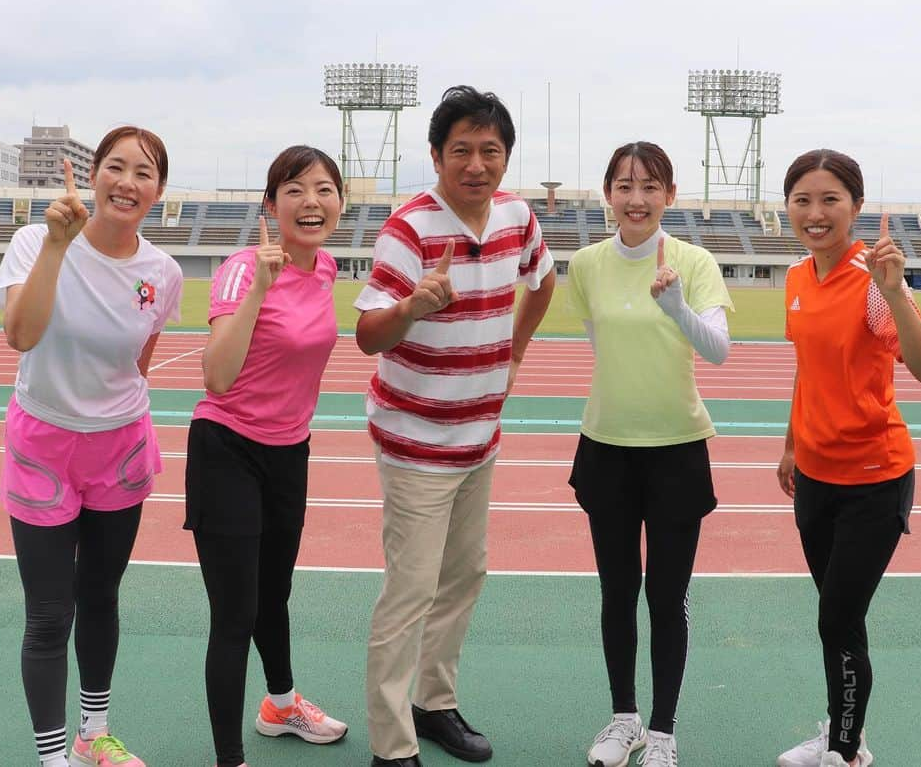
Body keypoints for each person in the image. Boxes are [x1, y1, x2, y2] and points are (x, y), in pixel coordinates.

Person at [355, 85, 556, 767]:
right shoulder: (408, 229)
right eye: (461, 150)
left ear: (506, 158)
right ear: (437, 155)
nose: (476, 164)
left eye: (490, 151)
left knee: (464, 576)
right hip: (415, 445)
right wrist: (413, 305)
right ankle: (391, 745)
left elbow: (543, 280)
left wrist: (517, 350)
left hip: (479, 437)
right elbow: (367, 335)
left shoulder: (517, 218)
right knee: (409, 592)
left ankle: (434, 704)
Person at [0, 127, 183, 767]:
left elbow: (139, 362)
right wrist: (55, 244)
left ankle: (92, 733)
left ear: (158, 190)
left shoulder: (163, 272)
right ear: (93, 174)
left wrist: (104, 412)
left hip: (119, 449)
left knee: (101, 596)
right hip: (42, 445)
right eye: (117, 167)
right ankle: (54, 758)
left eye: (145, 172)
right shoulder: (33, 241)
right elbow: (21, 334)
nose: (128, 182)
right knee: (49, 613)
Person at [567, 142, 734, 767]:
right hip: (606, 446)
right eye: (625, 185)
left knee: (667, 596)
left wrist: (676, 308)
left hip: (677, 450)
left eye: (650, 186)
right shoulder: (584, 265)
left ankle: (663, 733)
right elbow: (599, 344)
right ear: (607, 192)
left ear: (670, 194)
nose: (637, 199)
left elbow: (717, 349)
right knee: (617, 591)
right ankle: (624, 721)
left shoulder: (694, 261)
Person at [184, 145, 349, 767]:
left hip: (289, 452)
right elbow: (217, 376)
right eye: (295, 190)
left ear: (339, 202)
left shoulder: (328, 267)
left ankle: (280, 707)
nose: (312, 202)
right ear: (270, 204)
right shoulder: (240, 269)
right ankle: (231, 758)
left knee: (273, 594)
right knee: (234, 614)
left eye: (324, 189)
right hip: (227, 448)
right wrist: (261, 284)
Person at [775, 150, 921, 767]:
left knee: (838, 617)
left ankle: (845, 750)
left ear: (856, 207)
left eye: (830, 200)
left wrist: (895, 292)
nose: (815, 214)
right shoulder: (795, 279)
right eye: (802, 200)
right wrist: (791, 443)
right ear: (788, 207)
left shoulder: (873, 281)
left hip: (875, 477)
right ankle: (848, 732)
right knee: (836, 616)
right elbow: (806, 370)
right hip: (816, 477)